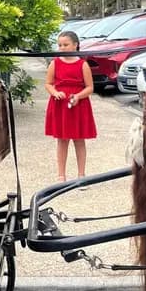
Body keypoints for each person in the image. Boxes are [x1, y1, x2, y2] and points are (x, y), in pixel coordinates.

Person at [44, 30, 97, 182]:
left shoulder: (83, 64)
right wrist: (54, 92)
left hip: (79, 105)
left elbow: (90, 88)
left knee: (79, 140)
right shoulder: (55, 63)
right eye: (60, 45)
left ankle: (81, 175)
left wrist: (78, 96)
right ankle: (61, 175)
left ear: (75, 45)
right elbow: (48, 83)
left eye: (65, 45)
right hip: (60, 105)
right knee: (62, 140)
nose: (62, 48)